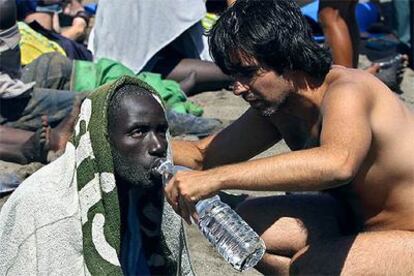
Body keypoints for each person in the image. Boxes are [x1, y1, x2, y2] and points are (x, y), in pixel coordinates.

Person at [165, 0, 414, 274]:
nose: (238, 88)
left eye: (247, 73)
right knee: (241, 226)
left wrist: (216, 179)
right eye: (233, 75)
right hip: (354, 220)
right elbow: (203, 156)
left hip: (408, 232)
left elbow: (338, 163)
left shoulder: (347, 91)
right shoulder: (279, 105)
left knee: (310, 265)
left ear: (286, 58)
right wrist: (122, 141)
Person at [0, 76, 194, 275]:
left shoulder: (151, 198)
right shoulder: (49, 209)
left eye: (161, 131)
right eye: (138, 132)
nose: (158, 146)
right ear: (103, 140)